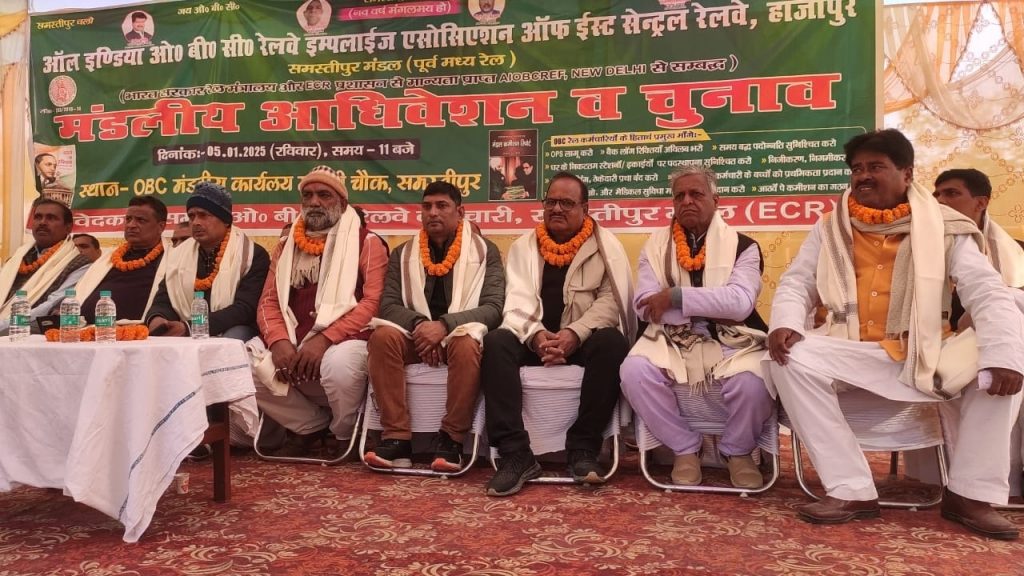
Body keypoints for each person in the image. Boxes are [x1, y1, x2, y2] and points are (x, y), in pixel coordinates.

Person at [766, 129, 1024, 540]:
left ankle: (970, 495)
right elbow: (798, 281)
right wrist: (786, 322)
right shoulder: (831, 227)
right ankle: (851, 489)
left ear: (906, 173)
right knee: (786, 357)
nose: (863, 176)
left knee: (1002, 361)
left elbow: (986, 291)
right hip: (853, 349)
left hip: (929, 353)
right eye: (857, 169)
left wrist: (1003, 356)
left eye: (876, 167)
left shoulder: (946, 226)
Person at [480, 171, 634, 496]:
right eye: (551, 202)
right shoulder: (524, 246)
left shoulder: (607, 248)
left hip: (581, 340)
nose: (557, 209)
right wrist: (536, 335)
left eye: (567, 203)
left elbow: (611, 302)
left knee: (611, 342)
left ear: (585, 209)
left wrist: (574, 334)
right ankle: (515, 454)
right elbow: (516, 298)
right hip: (534, 340)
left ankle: (584, 448)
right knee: (495, 342)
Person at [619, 166, 772, 489]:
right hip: (671, 337)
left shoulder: (744, 247)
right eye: (679, 196)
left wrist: (674, 297)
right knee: (633, 372)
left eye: (696, 194)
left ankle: (738, 451)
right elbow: (645, 304)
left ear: (716, 200)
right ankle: (685, 449)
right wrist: (709, 306)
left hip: (733, 337)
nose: (687, 201)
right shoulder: (655, 246)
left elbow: (740, 304)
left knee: (754, 381)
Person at [364, 181, 505, 471]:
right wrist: (421, 327)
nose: (433, 213)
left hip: (459, 337)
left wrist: (444, 326)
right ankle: (396, 438)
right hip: (416, 337)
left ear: (460, 212)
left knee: (465, 344)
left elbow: (493, 309)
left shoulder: (485, 252)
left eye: (442, 206)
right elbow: (388, 306)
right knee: (382, 337)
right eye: (426, 206)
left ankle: (452, 440)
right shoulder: (402, 254)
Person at [251, 166, 388, 458]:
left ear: (343, 203)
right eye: (308, 195)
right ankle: (309, 426)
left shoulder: (367, 242)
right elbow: (268, 302)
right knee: (238, 363)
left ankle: (344, 433)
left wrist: (324, 340)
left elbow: (373, 304)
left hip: (346, 340)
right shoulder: (286, 245)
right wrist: (278, 341)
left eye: (324, 195)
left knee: (340, 365)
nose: (314, 202)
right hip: (292, 339)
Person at [932, 168, 1024, 501]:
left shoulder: (1017, 252)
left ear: (980, 202)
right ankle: (975, 486)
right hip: (946, 350)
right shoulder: (925, 249)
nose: (941, 201)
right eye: (936, 195)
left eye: (951, 193)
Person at [146, 182, 269, 340]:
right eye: (191, 216)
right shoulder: (178, 256)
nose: (196, 222)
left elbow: (245, 309)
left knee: (232, 337)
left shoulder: (252, 255)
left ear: (225, 220)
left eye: (203, 215)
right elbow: (164, 299)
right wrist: (157, 318)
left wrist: (190, 327)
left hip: (234, 328)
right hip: (185, 329)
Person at [0, 199, 92, 334]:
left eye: (51, 218)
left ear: (68, 227)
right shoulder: (17, 259)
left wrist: (3, 325)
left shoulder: (80, 263)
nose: (42, 222)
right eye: (38, 217)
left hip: (30, 334)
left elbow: (51, 305)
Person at [74, 197, 170, 324]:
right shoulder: (108, 258)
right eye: (128, 219)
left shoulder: (171, 259)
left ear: (161, 227)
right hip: (81, 328)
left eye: (141, 220)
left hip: (134, 331)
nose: (131, 225)